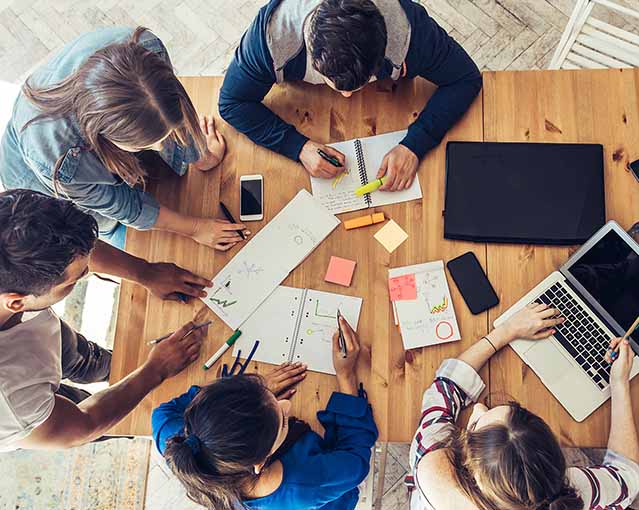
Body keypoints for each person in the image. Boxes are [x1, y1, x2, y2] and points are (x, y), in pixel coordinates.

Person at [0, 26, 248, 251]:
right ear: (103, 137)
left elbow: (166, 109)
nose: (161, 147)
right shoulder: (63, 162)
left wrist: (200, 155)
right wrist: (195, 228)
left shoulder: (147, 48)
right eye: (144, 145)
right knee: (116, 233)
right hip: (36, 175)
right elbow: (126, 208)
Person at [0, 189, 209, 451]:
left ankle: (107, 367)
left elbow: (73, 250)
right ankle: (135, 428)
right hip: (32, 407)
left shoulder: (11, 230)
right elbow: (81, 426)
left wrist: (146, 272)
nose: (88, 272)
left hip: (30, 333)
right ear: (17, 301)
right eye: (76, 279)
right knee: (108, 418)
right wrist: (156, 369)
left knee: (84, 357)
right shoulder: (11, 399)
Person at [218, 0, 482, 191]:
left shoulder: (413, 34)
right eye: (334, 83)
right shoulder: (269, 40)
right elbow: (231, 103)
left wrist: (415, 144)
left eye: (363, 82)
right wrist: (297, 146)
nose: (346, 96)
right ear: (310, 51)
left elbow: (466, 78)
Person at [408, 303, 639, 510]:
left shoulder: (430, 455)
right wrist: (619, 383)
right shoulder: (572, 492)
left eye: (477, 424)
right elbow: (627, 477)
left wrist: (506, 330)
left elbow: (446, 386)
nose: (479, 407)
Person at [152, 316, 377, 510]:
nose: (286, 405)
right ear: (261, 462)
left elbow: (161, 413)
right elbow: (355, 459)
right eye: (282, 422)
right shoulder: (304, 484)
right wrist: (347, 377)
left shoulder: (177, 441)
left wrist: (247, 394)